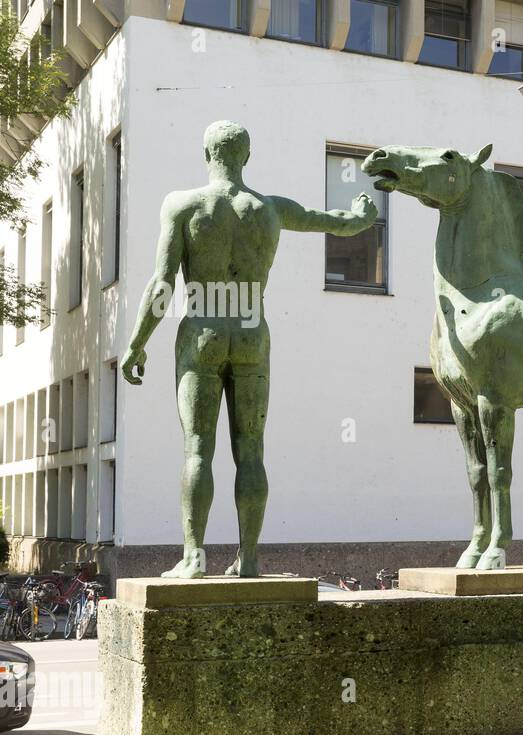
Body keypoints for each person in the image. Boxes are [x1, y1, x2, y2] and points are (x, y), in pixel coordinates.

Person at [122, 121, 378, 578]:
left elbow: (162, 283)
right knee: (252, 451)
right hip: (251, 331)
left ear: (207, 154)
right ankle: (250, 557)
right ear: (247, 156)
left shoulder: (183, 205)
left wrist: (137, 343)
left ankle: (194, 555)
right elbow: (336, 224)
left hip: (202, 329)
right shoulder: (270, 210)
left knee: (198, 450)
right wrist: (360, 214)